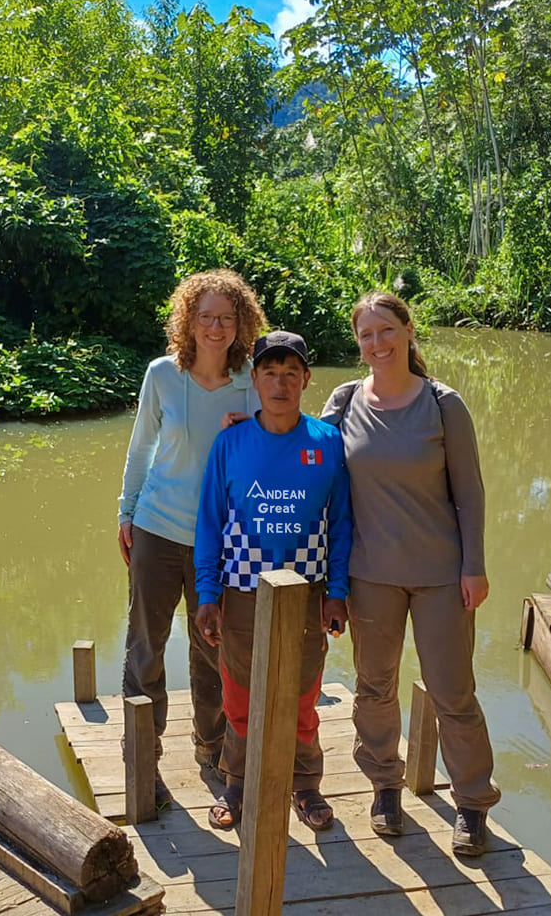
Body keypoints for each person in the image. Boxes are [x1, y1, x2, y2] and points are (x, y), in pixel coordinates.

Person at [320, 291, 499, 856]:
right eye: (366, 335)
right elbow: (304, 455)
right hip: (370, 574)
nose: (377, 343)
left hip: (443, 576)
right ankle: (384, 789)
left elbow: (470, 495)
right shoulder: (345, 401)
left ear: (408, 331)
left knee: (454, 693)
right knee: (375, 688)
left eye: (386, 331)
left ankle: (472, 804)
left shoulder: (444, 405)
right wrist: (246, 426)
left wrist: (475, 566)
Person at [117, 270, 267, 807]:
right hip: (158, 527)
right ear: (188, 320)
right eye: (205, 316)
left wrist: (249, 430)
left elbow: (278, 453)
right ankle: (145, 760)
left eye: (227, 317)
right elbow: (140, 451)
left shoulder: (255, 380)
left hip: (226, 539)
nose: (216, 327)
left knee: (214, 650)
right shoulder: (162, 375)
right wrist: (126, 511)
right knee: (146, 647)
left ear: (241, 322)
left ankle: (213, 749)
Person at [193, 331, 352, 832]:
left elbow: (342, 522)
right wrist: (208, 594)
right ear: (255, 379)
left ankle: (305, 785)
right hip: (242, 592)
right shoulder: (230, 443)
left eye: (290, 374)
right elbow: (210, 522)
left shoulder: (327, 443)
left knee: (303, 695)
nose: (280, 384)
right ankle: (237, 782)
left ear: (306, 380)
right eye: (269, 373)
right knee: (239, 695)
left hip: (306, 594)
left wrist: (338, 592)